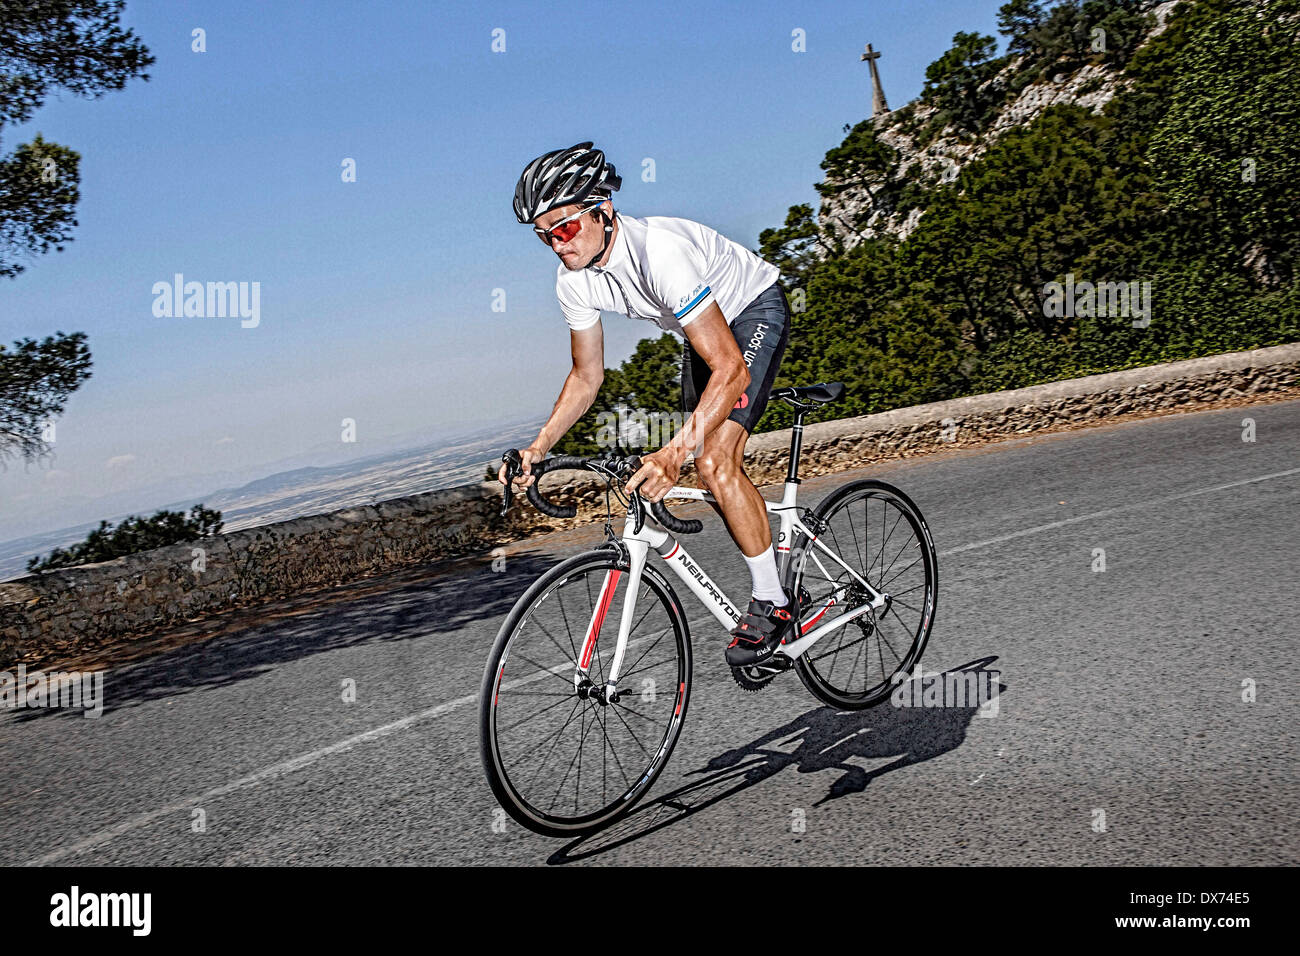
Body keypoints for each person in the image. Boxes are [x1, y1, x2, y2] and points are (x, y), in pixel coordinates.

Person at [501, 142, 795, 667]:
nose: (555, 245)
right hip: (699, 328)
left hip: (751, 308)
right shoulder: (573, 281)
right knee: (696, 453)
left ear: (603, 210)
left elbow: (731, 369)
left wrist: (672, 454)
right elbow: (587, 376)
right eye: (543, 236)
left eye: (563, 228)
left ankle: (775, 601)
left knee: (710, 457)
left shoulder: (660, 253)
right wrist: (539, 447)